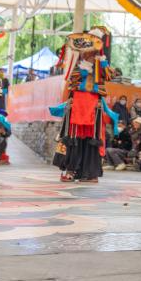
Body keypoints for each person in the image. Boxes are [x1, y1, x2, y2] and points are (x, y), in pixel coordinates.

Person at [51, 27, 114, 183]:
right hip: (77, 104)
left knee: (92, 138)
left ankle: (90, 173)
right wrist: (84, 70)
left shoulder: (101, 63)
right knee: (73, 136)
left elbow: (107, 77)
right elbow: (72, 82)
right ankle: (71, 170)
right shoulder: (78, 62)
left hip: (93, 105)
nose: (90, 49)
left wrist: (101, 61)